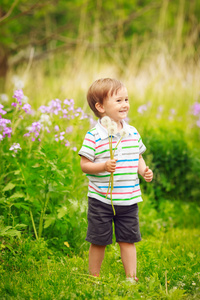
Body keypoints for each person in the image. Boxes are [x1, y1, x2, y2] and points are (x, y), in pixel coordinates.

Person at [78, 78, 153, 282]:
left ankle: (131, 277)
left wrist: (144, 170)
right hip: (101, 199)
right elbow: (84, 165)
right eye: (118, 100)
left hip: (128, 198)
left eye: (126, 99)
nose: (125, 104)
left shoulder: (132, 132)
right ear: (100, 107)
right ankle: (94, 276)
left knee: (128, 239)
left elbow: (137, 156)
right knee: (98, 240)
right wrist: (102, 166)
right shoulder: (94, 135)